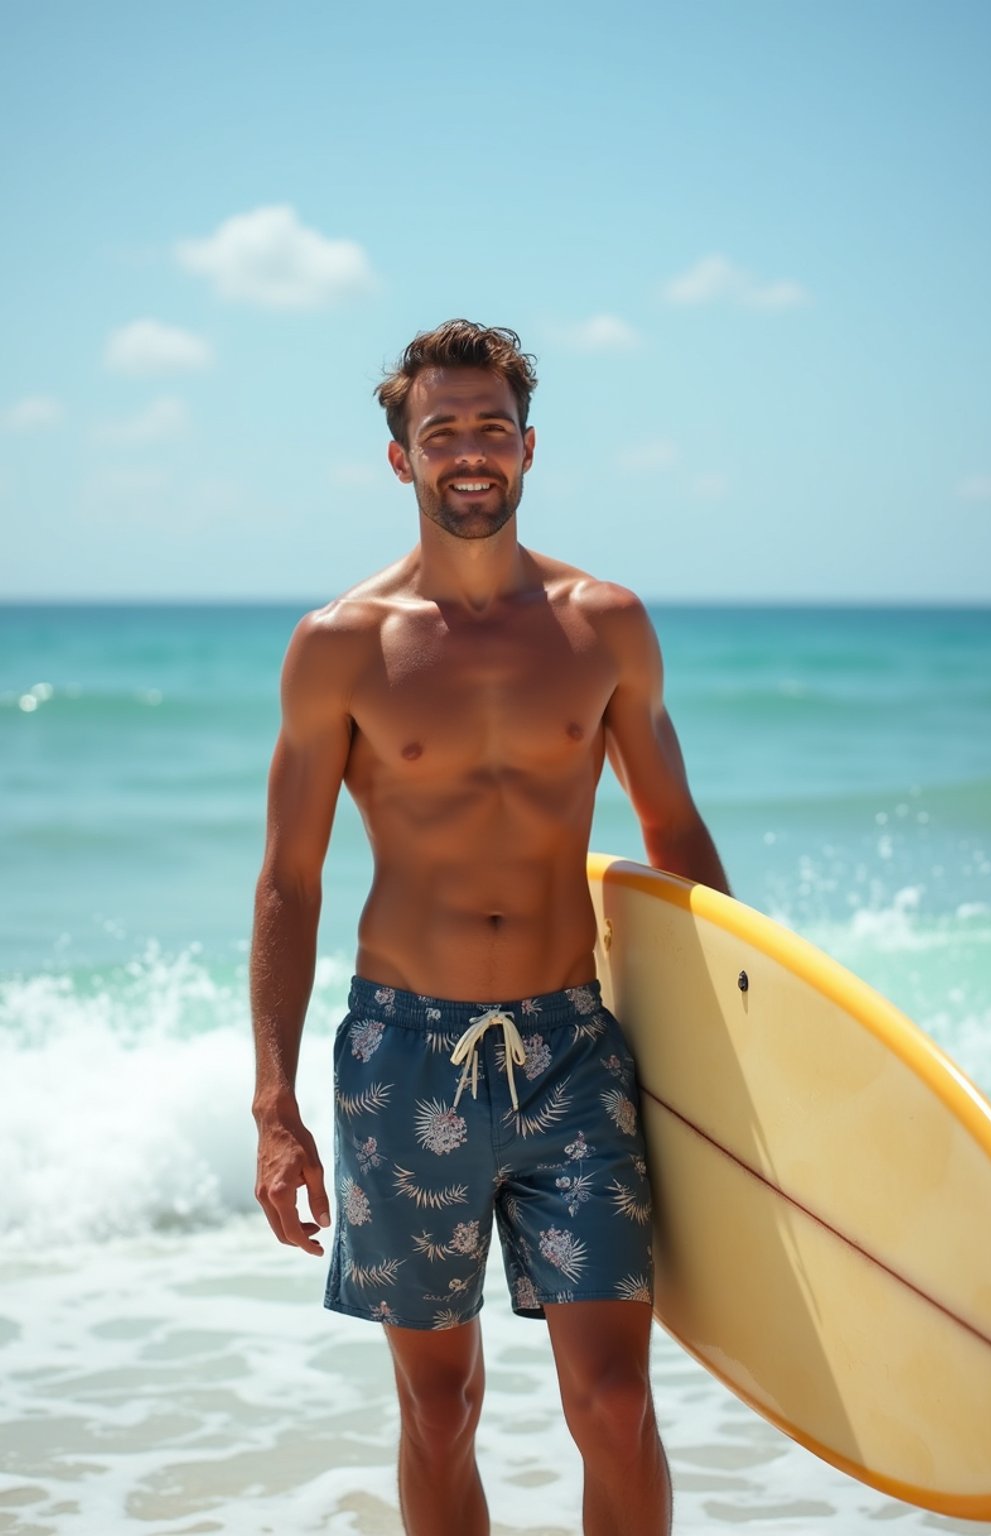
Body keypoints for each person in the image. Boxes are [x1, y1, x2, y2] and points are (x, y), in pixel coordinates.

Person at [250, 319, 730, 1536]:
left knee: (616, 1404)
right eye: (440, 430)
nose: (469, 451)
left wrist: (745, 1059)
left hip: (573, 1052)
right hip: (402, 1054)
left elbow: (674, 835)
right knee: (439, 1408)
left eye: (490, 428)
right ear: (401, 459)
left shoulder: (604, 623)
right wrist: (273, 1108)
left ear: (528, 448)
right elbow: (287, 885)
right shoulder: (340, 646)